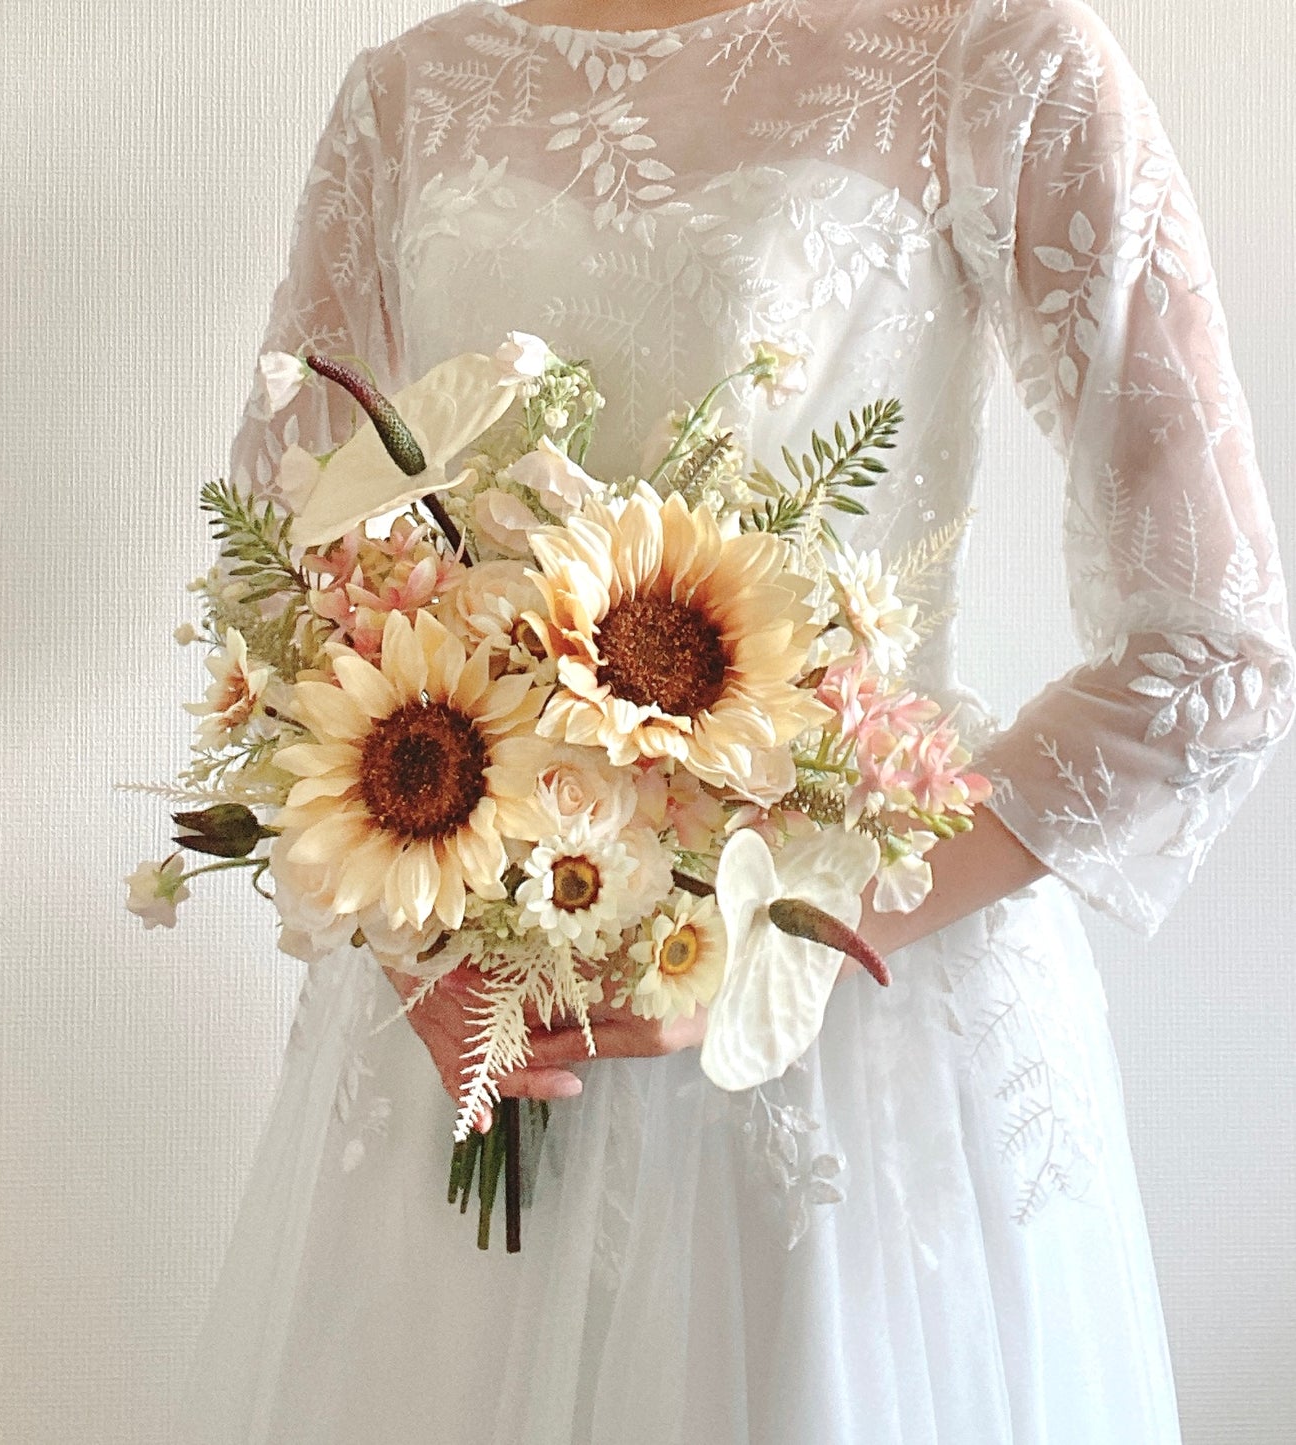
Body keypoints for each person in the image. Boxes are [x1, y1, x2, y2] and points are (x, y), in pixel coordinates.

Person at [175, 1, 1295, 1440]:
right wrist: (414, 944)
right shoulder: (407, 97)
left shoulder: (989, 53)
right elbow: (286, 579)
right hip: (489, 1018)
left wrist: (797, 920)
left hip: (860, 1034)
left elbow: (1209, 649)